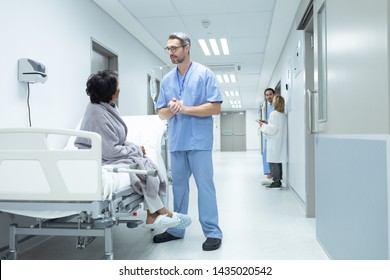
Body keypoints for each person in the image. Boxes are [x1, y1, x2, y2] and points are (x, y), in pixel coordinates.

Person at [74, 70, 191, 230]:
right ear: (108, 92)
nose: (120, 89)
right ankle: (158, 212)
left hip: (105, 153)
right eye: (117, 86)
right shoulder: (97, 114)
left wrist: (135, 148)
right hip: (97, 157)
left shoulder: (107, 107)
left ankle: (155, 213)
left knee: (144, 164)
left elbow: (116, 140)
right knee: (143, 166)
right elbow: (110, 151)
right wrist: (135, 151)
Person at [154, 32, 223, 251]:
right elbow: (161, 113)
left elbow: (215, 107)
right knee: (180, 190)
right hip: (177, 142)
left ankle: (212, 232)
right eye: (168, 49)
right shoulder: (167, 80)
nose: (171, 53)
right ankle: (176, 229)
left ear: (187, 48)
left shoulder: (204, 74)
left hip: (199, 142)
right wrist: (173, 110)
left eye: (174, 48)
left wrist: (185, 108)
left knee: (205, 188)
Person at [259, 95, 288, 189]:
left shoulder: (274, 113)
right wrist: (267, 123)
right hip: (280, 140)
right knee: (278, 161)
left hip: (274, 140)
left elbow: (272, 129)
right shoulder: (283, 114)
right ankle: (278, 179)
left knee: (273, 161)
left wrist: (262, 126)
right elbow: (276, 125)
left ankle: (276, 181)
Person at [260, 88, 275, 185]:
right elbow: (271, 120)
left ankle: (270, 176)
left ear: (274, 94)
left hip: (273, 134)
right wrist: (266, 121)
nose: (268, 96)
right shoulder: (269, 106)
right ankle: (269, 175)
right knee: (266, 154)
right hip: (269, 134)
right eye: (267, 95)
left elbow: (275, 121)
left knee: (270, 155)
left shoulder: (276, 106)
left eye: (270, 94)